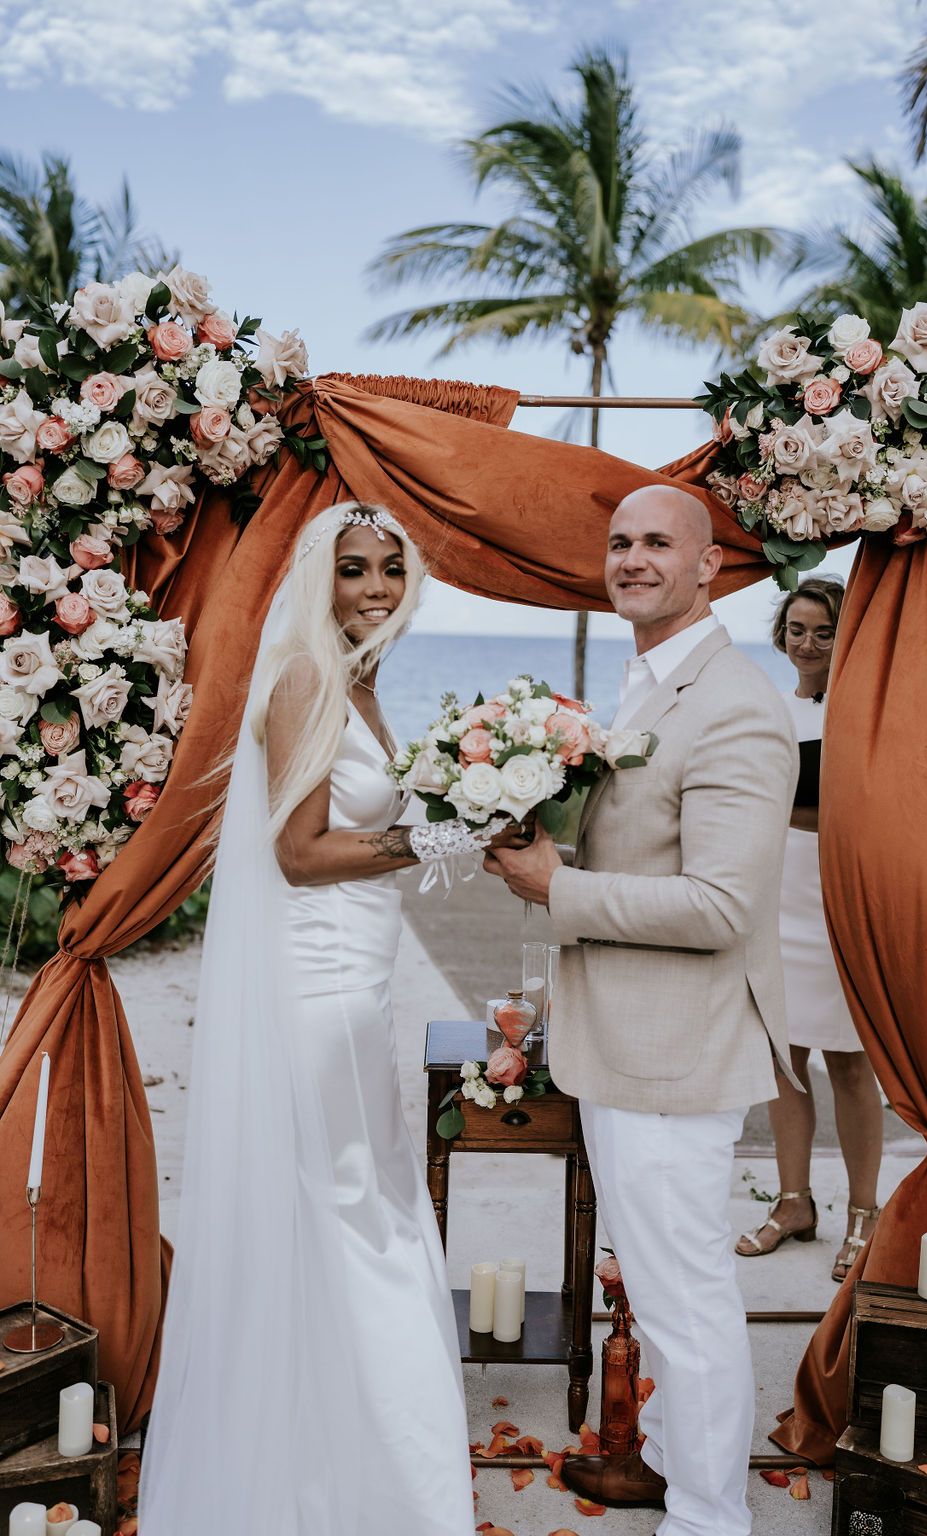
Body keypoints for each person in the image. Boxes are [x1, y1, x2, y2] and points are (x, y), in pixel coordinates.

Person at [139, 502, 505, 1535]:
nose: (376, 588)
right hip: (323, 987)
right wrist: (442, 841)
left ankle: (327, 1458)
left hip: (359, 984)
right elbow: (297, 852)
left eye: (392, 568)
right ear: (317, 579)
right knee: (367, 1217)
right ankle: (396, 1488)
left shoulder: (358, 678)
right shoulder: (305, 673)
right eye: (353, 569)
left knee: (353, 1206)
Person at [484, 484, 797, 1536]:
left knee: (687, 1303)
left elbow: (718, 907)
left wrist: (553, 891)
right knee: (664, 1292)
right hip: (626, 1042)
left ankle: (712, 1520)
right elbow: (646, 853)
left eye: (659, 542)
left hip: (675, 1055)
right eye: (620, 543)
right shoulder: (650, 684)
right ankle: (666, 1459)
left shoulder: (735, 706)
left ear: (712, 567)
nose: (633, 558)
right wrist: (552, 854)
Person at [735, 576, 883, 1282]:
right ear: (780, 636)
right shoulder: (770, 710)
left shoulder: (866, 713)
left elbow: (859, 815)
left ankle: (865, 1214)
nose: (809, 642)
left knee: (851, 1063)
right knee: (781, 1056)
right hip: (777, 893)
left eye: (824, 630)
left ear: (847, 633)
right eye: (797, 629)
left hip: (839, 894)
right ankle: (794, 1203)